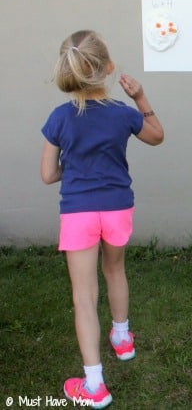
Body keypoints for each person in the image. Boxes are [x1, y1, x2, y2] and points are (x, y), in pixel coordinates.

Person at [40, 30, 164, 408]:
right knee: (115, 271)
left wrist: (71, 169)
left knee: (84, 296)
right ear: (108, 68)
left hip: (78, 211)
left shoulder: (60, 117)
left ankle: (94, 385)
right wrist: (140, 96)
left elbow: (47, 175)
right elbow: (157, 136)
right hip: (117, 207)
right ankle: (122, 339)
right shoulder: (124, 114)